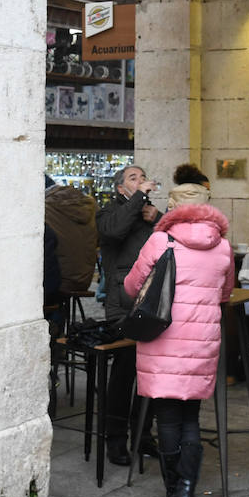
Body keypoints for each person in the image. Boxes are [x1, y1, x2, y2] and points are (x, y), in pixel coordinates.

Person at [123, 199, 234, 497]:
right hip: (202, 343)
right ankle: (186, 489)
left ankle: (174, 492)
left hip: (163, 341)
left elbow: (133, 287)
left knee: (167, 418)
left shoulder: (161, 240)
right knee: (190, 418)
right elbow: (225, 293)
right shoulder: (222, 246)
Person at [97, 165, 161, 464]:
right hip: (122, 303)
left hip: (152, 301)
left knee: (150, 373)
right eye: (132, 179)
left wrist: (159, 219)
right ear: (121, 188)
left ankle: (143, 434)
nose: (140, 182)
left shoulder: (149, 214)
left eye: (142, 176)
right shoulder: (109, 213)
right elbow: (114, 231)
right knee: (124, 372)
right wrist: (138, 201)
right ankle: (115, 439)